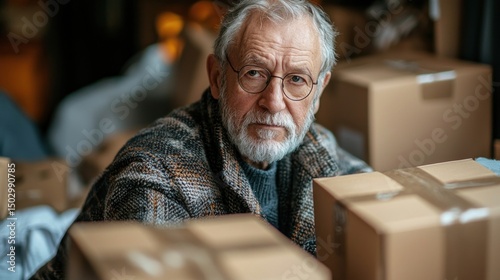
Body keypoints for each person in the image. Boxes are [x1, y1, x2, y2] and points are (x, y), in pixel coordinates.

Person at [30, 0, 371, 278]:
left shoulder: (316, 146)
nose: (274, 101)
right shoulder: (154, 173)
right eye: (254, 73)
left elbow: (381, 215)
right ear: (216, 77)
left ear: (319, 90)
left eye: (297, 79)